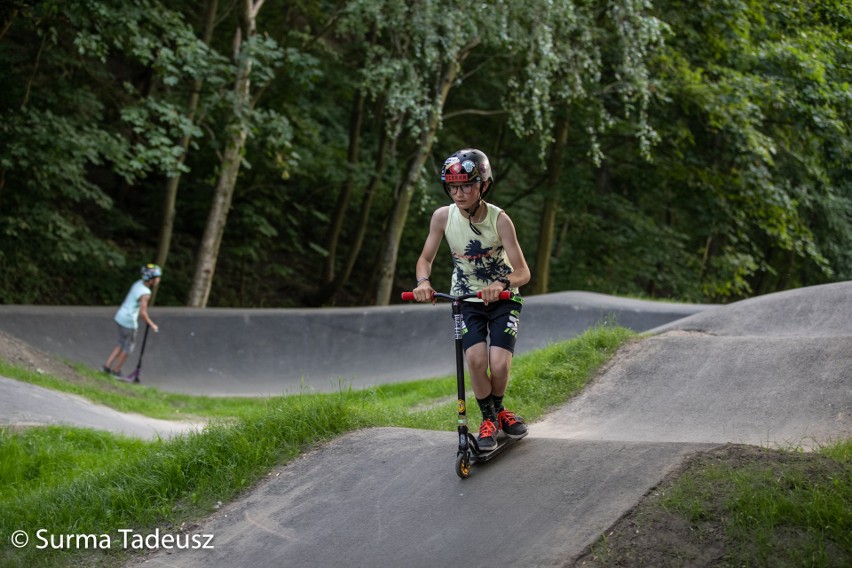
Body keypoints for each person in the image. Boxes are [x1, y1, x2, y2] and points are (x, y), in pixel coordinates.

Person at [412, 148, 531, 451]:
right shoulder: (442, 217)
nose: (459, 193)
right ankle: (490, 418)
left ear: (483, 185)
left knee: (499, 365)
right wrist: (423, 282)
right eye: (453, 186)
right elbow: (425, 259)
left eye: (466, 185)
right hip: (466, 300)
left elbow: (523, 272)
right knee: (476, 361)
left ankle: (500, 409)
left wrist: (501, 282)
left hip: (504, 298)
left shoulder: (500, 220)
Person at [103, 264, 161, 377]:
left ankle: (106, 366)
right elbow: (142, 313)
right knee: (128, 347)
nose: (159, 280)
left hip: (120, 316)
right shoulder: (145, 293)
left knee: (121, 343)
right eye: (157, 277)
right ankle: (116, 371)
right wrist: (152, 324)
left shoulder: (138, 283)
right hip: (129, 322)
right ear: (151, 279)